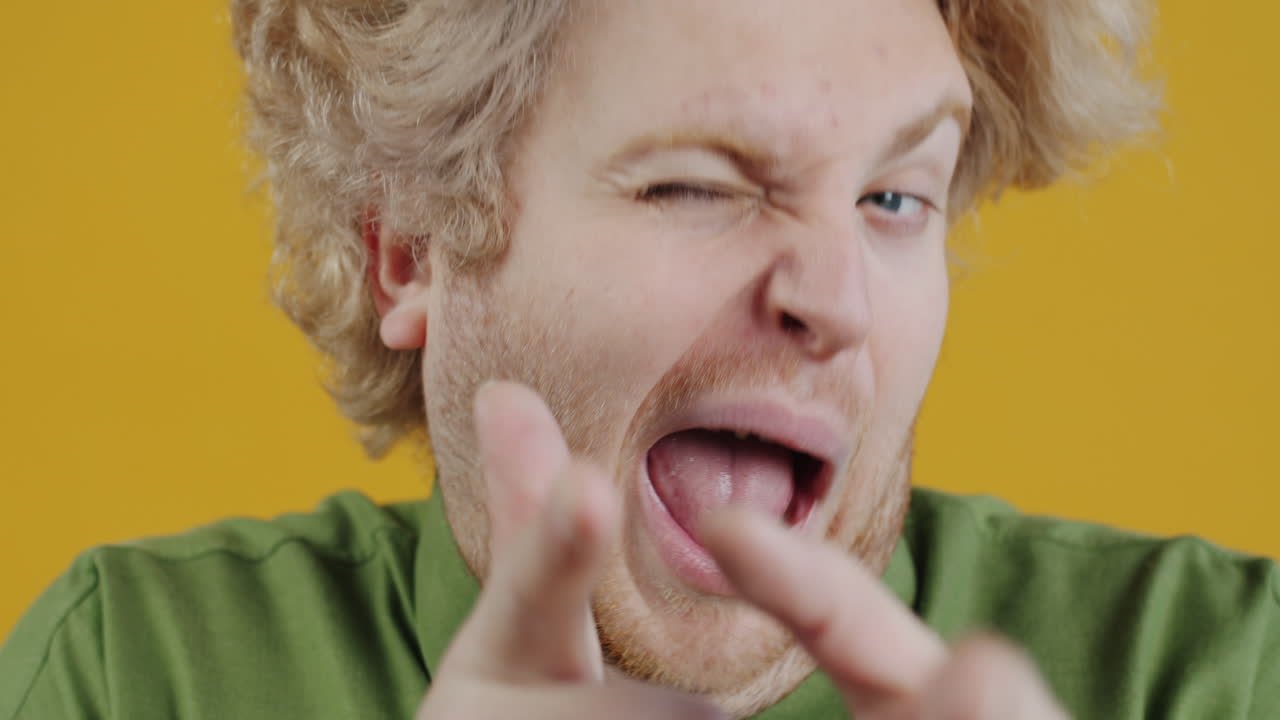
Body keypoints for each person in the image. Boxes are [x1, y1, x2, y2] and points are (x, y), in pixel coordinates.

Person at [2, 1, 1276, 718]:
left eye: (895, 200)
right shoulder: (133, 677)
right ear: (411, 251)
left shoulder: (1215, 674)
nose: (831, 298)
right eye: (692, 185)